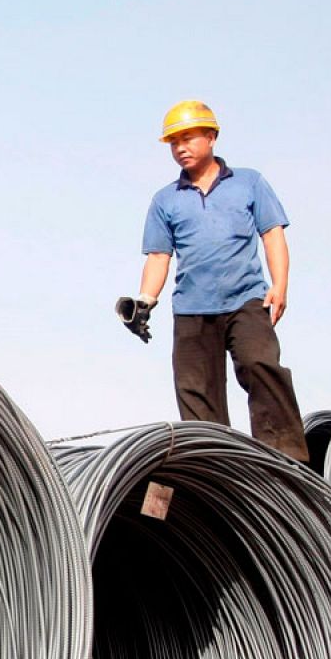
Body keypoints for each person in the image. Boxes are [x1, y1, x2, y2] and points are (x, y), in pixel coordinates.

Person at [117, 100, 310, 461]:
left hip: (247, 300)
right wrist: (144, 301)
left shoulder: (249, 183)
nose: (180, 148)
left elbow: (272, 234)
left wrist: (279, 285)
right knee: (195, 391)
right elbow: (159, 256)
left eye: (187, 138)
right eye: (173, 142)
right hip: (191, 308)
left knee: (260, 365)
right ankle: (216, 466)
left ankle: (287, 460)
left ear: (211, 136)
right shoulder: (165, 200)